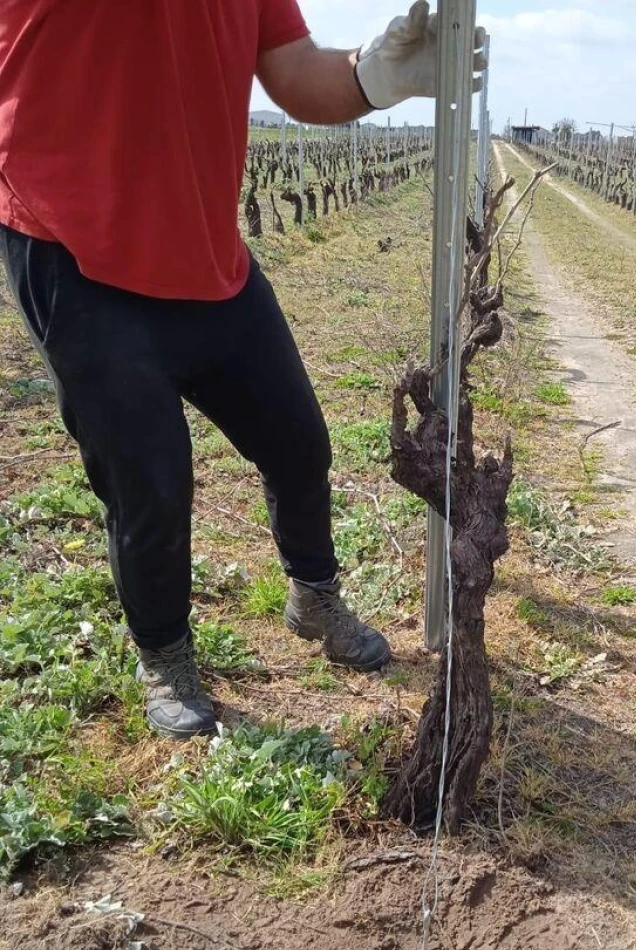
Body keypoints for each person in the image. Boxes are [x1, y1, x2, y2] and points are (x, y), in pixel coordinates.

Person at [0, 1, 484, 739]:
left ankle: (313, 594)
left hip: (206, 254)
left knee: (297, 442)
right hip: (75, 244)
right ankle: (164, 653)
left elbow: (293, 74)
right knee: (150, 480)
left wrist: (377, 76)